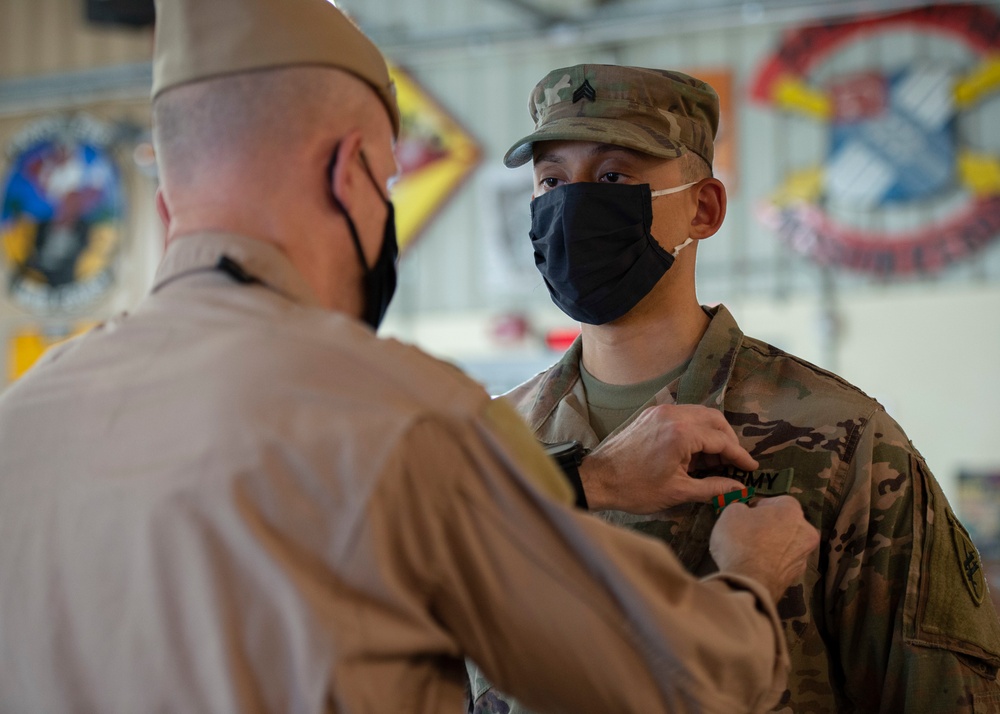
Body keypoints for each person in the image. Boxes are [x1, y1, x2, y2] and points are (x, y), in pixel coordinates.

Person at [0, 4, 823, 713]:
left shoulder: (25, 419)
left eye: (613, 175)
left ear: (170, 199)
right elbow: (683, 683)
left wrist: (589, 482)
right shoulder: (393, 414)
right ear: (347, 170)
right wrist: (750, 579)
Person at [467, 64, 1000, 714]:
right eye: (551, 181)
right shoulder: (493, 443)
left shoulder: (843, 440)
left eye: (613, 177)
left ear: (704, 207)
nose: (572, 205)